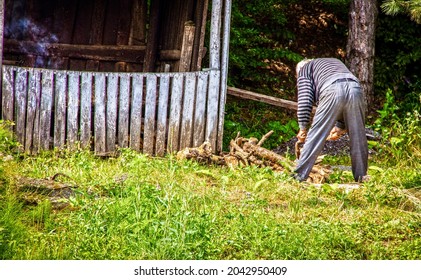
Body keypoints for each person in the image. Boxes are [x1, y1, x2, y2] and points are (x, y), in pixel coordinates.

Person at [292, 58, 368, 182]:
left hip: (332, 89)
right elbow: (345, 88)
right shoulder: (332, 62)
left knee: (316, 134)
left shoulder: (304, 70)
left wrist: (303, 127)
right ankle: (362, 177)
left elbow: (305, 99)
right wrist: (340, 127)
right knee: (358, 135)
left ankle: (298, 176)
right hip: (356, 88)